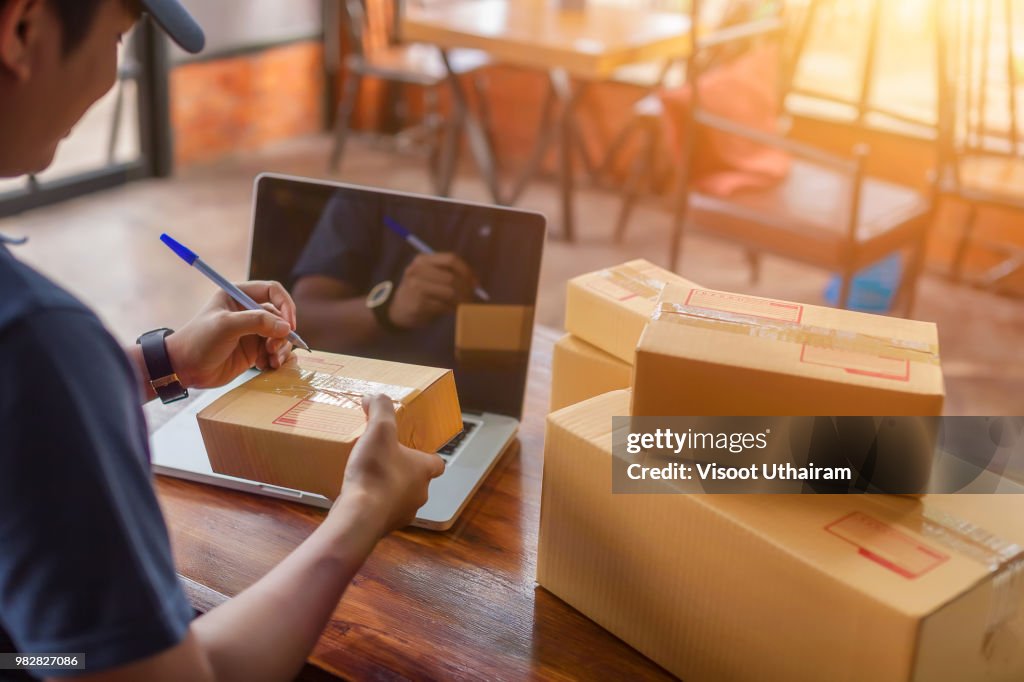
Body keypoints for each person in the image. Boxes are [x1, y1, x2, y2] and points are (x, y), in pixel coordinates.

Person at [0, 1, 445, 680]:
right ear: (22, 29)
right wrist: (361, 512)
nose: (110, 78)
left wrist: (166, 363)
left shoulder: (34, 349)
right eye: (118, 38)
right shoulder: (39, 341)